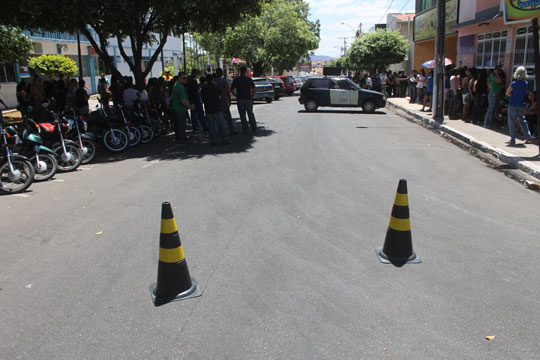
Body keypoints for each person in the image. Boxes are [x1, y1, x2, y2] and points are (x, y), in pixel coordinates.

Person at [505, 66, 534, 145]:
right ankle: (528, 136)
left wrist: (512, 95)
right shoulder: (525, 83)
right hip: (521, 104)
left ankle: (512, 139)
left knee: (512, 121)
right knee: (522, 120)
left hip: (512, 104)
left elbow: (507, 93)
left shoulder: (514, 83)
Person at [201, 74, 231, 145]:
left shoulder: (204, 89)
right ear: (212, 80)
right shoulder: (216, 87)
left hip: (208, 109)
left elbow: (202, 98)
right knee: (221, 125)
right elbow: (220, 97)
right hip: (217, 108)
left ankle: (213, 140)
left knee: (211, 126)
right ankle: (225, 139)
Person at [231, 66, 257, 134]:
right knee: (250, 113)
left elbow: (231, 89)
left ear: (240, 72)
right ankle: (254, 128)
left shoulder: (236, 80)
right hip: (248, 99)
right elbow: (254, 88)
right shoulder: (249, 79)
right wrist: (252, 96)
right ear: (246, 72)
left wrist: (236, 95)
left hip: (240, 99)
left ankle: (246, 130)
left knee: (242, 115)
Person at [171, 72, 193, 144]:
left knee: (178, 125)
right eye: (184, 78)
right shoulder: (180, 87)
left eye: (186, 78)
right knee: (182, 125)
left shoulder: (175, 85)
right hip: (180, 109)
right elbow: (183, 100)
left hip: (176, 108)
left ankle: (179, 139)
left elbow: (171, 97)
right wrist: (190, 106)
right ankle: (182, 140)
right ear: (179, 78)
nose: (185, 79)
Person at [215, 67, 237, 135]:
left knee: (218, 117)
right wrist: (229, 99)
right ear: (221, 73)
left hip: (216, 101)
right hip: (224, 100)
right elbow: (227, 90)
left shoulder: (214, 81)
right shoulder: (224, 81)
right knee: (228, 116)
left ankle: (219, 131)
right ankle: (231, 130)